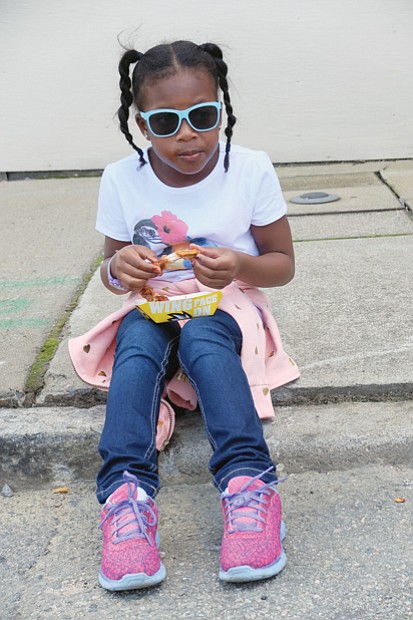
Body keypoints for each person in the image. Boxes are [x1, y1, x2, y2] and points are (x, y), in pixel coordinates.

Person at [68, 39, 300, 592]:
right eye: (167, 122)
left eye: (202, 115)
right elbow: (111, 270)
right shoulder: (122, 179)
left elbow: (282, 264)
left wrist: (241, 263)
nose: (188, 134)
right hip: (151, 305)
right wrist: (118, 268)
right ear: (142, 126)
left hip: (225, 303)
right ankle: (125, 500)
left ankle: (250, 484)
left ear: (221, 110)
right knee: (137, 348)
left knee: (202, 340)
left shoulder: (249, 169)